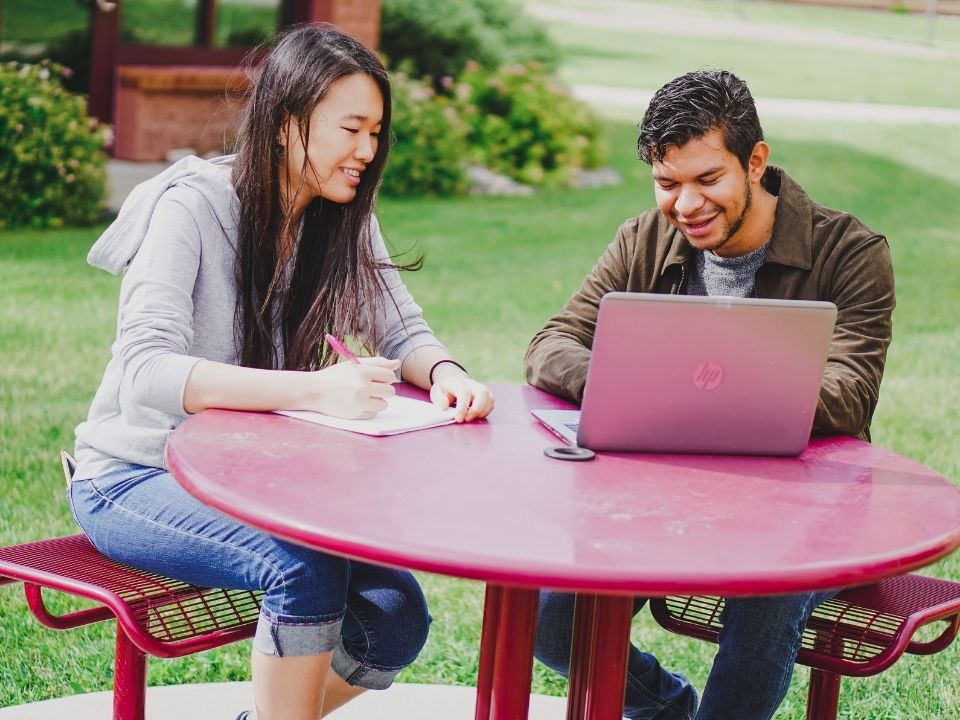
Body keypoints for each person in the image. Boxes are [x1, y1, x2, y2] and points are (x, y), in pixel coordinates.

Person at [69, 24, 494, 720]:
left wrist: (446, 371)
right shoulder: (191, 207)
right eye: (352, 128)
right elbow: (147, 371)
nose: (367, 150)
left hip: (252, 482)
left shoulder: (342, 215)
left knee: (396, 614)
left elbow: (402, 327)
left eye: (376, 132)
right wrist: (317, 390)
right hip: (133, 477)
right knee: (301, 569)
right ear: (286, 122)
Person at [524, 70, 894, 720]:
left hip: (807, 514)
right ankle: (666, 707)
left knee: (767, 597)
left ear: (756, 161)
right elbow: (551, 343)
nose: (686, 205)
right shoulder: (644, 239)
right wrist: (628, 381)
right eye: (668, 184)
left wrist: (690, 392)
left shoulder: (850, 253)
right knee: (552, 623)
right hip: (661, 503)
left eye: (707, 180)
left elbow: (850, 392)